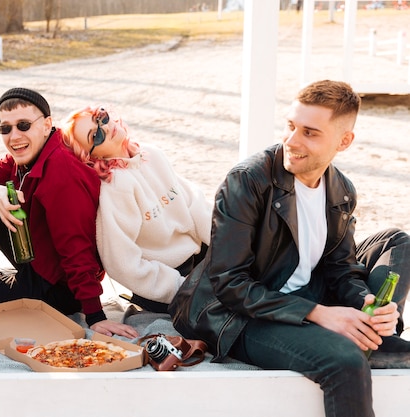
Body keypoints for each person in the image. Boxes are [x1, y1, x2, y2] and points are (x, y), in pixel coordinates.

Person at [169, 80, 410, 417]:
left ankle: (373, 326)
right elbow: (228, 284)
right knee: (344, 359)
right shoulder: (247, 181)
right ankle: (367, 341)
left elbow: (342, 269)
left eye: (310, 133)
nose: (291, 141)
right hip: (235, 313)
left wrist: (367, 302)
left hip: (303, 292)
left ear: (344, 141)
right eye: (291, 126)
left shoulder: (341, 191)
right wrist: (320, 313)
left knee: (398, 242)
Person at [0, 87, 138, 339]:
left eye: (24, 125)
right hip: (35, 256)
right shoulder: (23, 156)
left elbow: (76, 245)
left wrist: (94, 315)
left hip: (57, 290)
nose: (14, 136)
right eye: (5, 128)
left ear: (46, 124)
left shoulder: (61, 171)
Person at [60, 106, 212, 313]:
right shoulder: (116, 187)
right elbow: (122, 262)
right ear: (90, 156)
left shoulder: (152, 153)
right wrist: (180, 287)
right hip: (167, 282)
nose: (105, 127)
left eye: (101, 118)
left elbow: (194, 204)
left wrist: (226, 244)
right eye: (95, 136)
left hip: (199, 257)